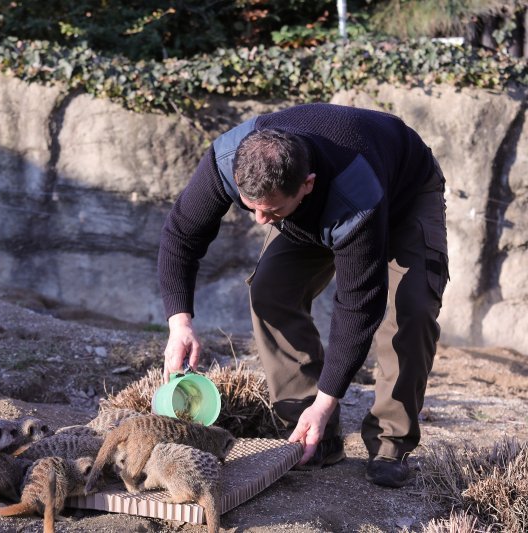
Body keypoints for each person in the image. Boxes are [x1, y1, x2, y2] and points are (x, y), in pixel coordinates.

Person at [158, 103, 449, 488]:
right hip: (316, 210)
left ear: (306, 184)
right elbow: (181, 235)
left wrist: (328, 400)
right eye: (252, 209)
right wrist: (180, 323)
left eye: (271, 210)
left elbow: (358, 306)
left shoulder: (353, 195)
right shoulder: (228, 158)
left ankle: (390, 443)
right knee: (270, 290)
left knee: (410, 312)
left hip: (402, 196)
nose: (260, 221)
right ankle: (312, 432)